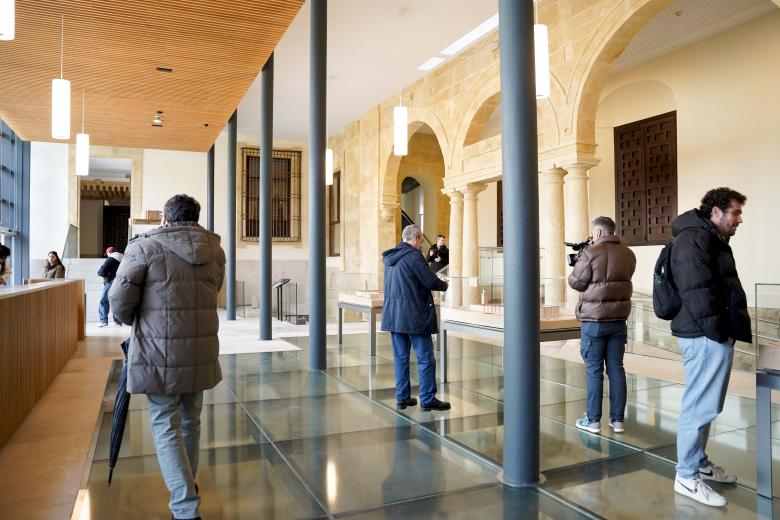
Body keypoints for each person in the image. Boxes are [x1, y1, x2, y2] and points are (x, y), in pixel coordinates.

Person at [109, 194, 225, 520]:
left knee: (165, 424)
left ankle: (185, 506)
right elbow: (215, 289)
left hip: (159, 350)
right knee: (191, 420)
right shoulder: (214, 249)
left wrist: (135, 320)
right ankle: (187, 485)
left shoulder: (144, 247)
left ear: (165, 218)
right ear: (195, 217)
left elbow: (119, 299)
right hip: (200, 347)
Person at [670, 187, 750, 507]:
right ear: (715, 212)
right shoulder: (694, 239)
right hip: (703, 335)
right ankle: (686, 476)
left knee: (706, 404)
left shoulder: (709, 237)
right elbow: (697, 292)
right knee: (699, 405)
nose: (740, 219)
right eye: (735, 212)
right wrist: (718, 332)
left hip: (709, 334)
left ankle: (698, 464)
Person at [567, 216, 636, 436]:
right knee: (616, 369)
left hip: (594, 322)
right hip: (618, 321)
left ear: (597, 233)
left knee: (594, 370)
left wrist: (579, 261)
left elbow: (576, 282)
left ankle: (593, 420)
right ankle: (618, 421)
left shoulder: (590, 254)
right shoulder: (628, 254)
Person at [381, 224, 450, 411]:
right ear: (417, 238)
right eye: (420, 240)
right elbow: (429, 280)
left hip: (394, 316)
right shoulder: (413, 256)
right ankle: (427, 399)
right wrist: (444, 285)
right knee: (425, 358)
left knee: (401, 358)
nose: (420, 244)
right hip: (414, 316)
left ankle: (402, 397)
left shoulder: (391, 258)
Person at [97, 246, 124, 327]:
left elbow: (101, 272)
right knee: (116, 302)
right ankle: (118, 321)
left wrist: (106, 274)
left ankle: (103, 321)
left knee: (103, 301)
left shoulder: (110, 259)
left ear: (109, 253)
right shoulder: (123, 258)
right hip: (120, 282)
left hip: (110, 282)